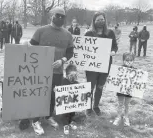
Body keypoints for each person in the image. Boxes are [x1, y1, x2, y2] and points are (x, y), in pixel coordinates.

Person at [20, 7, 74, 135]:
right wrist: (26, 44)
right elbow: (32, 46)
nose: (60, 18)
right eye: (57, 15)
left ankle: (48, 115)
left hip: (58, 71)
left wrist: (62, 60)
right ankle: (35, 120)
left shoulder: (68, 34)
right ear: (52, 16)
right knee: (39, 95)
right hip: (40, 71)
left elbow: (70, 52)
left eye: (62, 16)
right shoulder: (41, 31)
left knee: (52, 95)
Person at [85, 12, 118, 116]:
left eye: (102, 19)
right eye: (98, 20)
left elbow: (115, 46)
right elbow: (83, 49)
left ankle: (96, 106)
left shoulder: (110, 33)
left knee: (100, 86)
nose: (100, 22)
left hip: (105, 64)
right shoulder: (89, 33)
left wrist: (113, 51)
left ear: (105, 20)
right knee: (90, 87)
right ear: (94, 22)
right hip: (91, 66)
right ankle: (88, 107)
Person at [113, 52, 135, 127]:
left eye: (131, 60)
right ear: (123, 60)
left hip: (129, 91)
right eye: (126, 60)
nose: (129, 62)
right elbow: (115, 79)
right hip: (121, 90)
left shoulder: (135, 71)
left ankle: (126, 117)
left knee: (127, 105)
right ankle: (118, 116)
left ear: (133, 61)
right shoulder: (120, 69)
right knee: (120, 104)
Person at [58, 64, 78, 135]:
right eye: (71, 75)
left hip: (72, 103)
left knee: (72, 113)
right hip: (64, 103)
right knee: (65, 114)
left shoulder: (76, 83)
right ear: (67, 74)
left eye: (75, 75)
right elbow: (59, 90)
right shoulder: (63, 81)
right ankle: (65, 125)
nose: (73, 77)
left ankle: (71, 122)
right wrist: (56, 90)